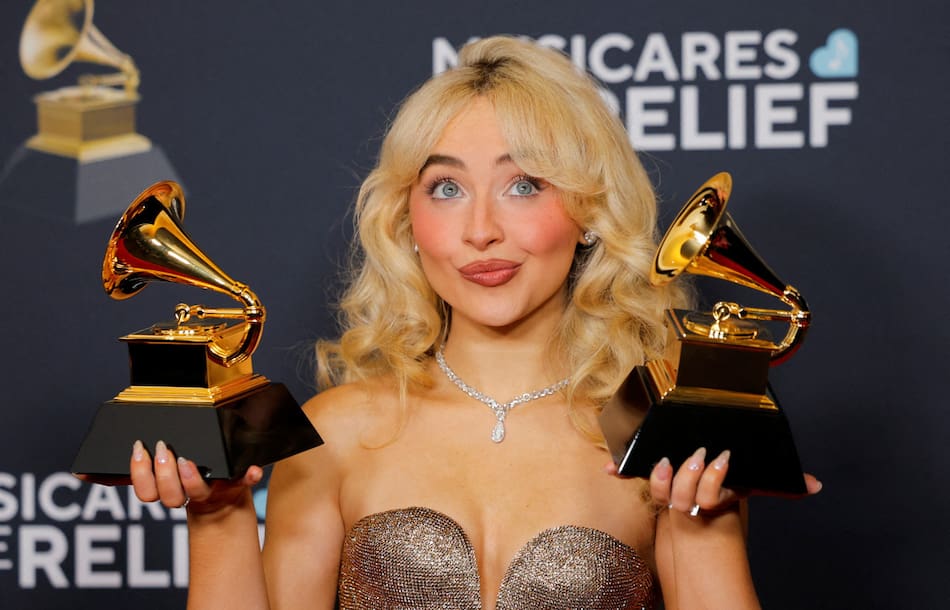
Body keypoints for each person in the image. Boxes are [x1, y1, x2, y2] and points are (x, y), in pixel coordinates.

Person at [127, 35, 820, 609]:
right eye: (447, 188)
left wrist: (711, 521)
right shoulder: (335, 433)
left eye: (524, 185)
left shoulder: (654, 431)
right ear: (408, 220)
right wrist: (216, 517)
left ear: (586, 215)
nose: (481, 230)